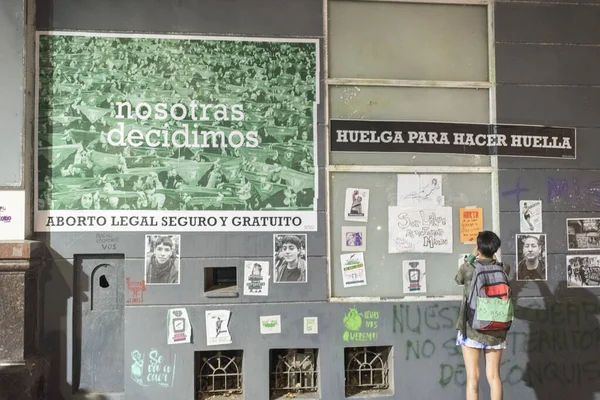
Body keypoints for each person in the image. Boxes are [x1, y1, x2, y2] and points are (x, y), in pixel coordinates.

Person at [455, 231, 510, 400]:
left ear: (478, 247)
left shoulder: (469, 269)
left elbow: (458, 279)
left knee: (473, 377)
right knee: (494, 377)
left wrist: (473, 255)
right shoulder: (503, 269)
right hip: (496, 328)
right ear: (495, 249)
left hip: (472, 328)